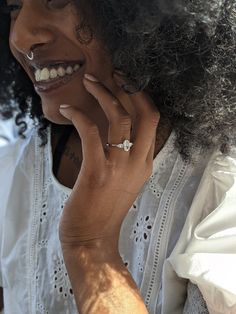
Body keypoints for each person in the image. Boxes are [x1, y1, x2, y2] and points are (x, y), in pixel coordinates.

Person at [0, 0, 235, 313]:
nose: (21, 36)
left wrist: (91, 245)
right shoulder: (13, 171)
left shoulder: (224, 185)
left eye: (57, 1)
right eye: (13, 6)